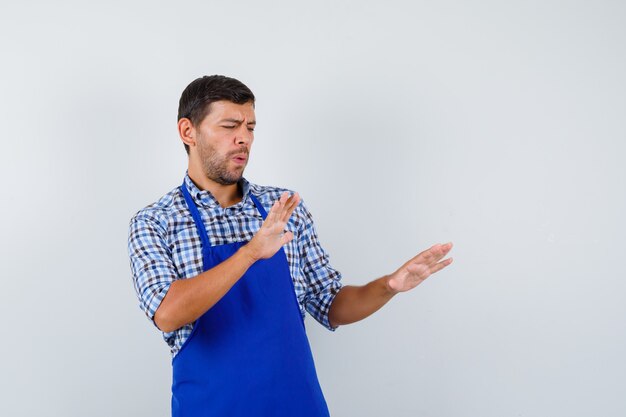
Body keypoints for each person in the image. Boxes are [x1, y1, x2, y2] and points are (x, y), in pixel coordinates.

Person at [128, 75, 453, 417]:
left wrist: (389, 286)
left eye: (250, 127)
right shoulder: (155, 221)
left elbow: (330, 304)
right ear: (187, 132)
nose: (243, 138)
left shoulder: (282, 208)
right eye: (229, 126)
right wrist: (251, 252)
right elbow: (167, 314)